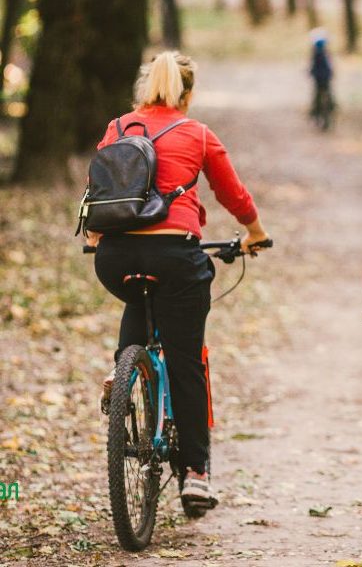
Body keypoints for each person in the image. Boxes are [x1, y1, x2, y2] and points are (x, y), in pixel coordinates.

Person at [89, 51, 270, 508]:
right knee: (186, 360)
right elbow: (233, 194)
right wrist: (255, 233)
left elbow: (100, 188)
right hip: (175, 254)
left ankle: (123, 369)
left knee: (138, 293)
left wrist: (95, 237)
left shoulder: (118, 128)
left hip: (114, 257)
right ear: (187, 93)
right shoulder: (197, 133)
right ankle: (195, 474)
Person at [309, 28, 334, 123]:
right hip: (324, 77)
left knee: (319, 95)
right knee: (323, 94)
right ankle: (323, 110)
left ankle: (317, 111)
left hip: (321, 77)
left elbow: (313, 66)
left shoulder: (316, 52)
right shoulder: (323, 52)